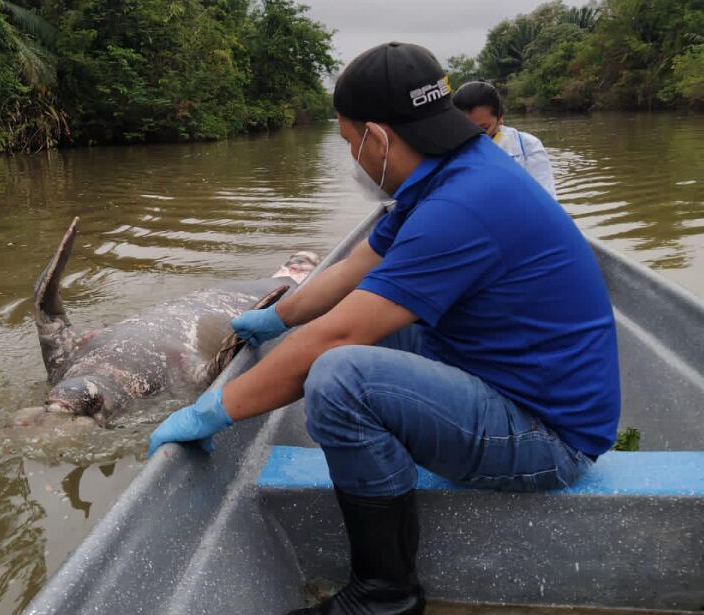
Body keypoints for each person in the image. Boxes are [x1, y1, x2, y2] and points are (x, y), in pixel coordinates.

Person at [148, 42, 620, 615]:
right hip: (515, 385)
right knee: (351, 334)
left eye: (350, 143)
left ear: (376, 136)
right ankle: (381, 469)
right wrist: (277, 317)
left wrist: (214, 410)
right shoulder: (455, 172)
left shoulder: (461, 206)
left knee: (340, 376)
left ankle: (383, 594)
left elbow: (337, 339)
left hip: (550, 439)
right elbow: (354, 268)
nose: (353, 156)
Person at [453, 80, 557, 197]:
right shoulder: (448, 150)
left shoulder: (527, 147)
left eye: (484, 128)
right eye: (467, 128)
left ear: (500, 117)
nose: (474, 136)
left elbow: (546, 198)